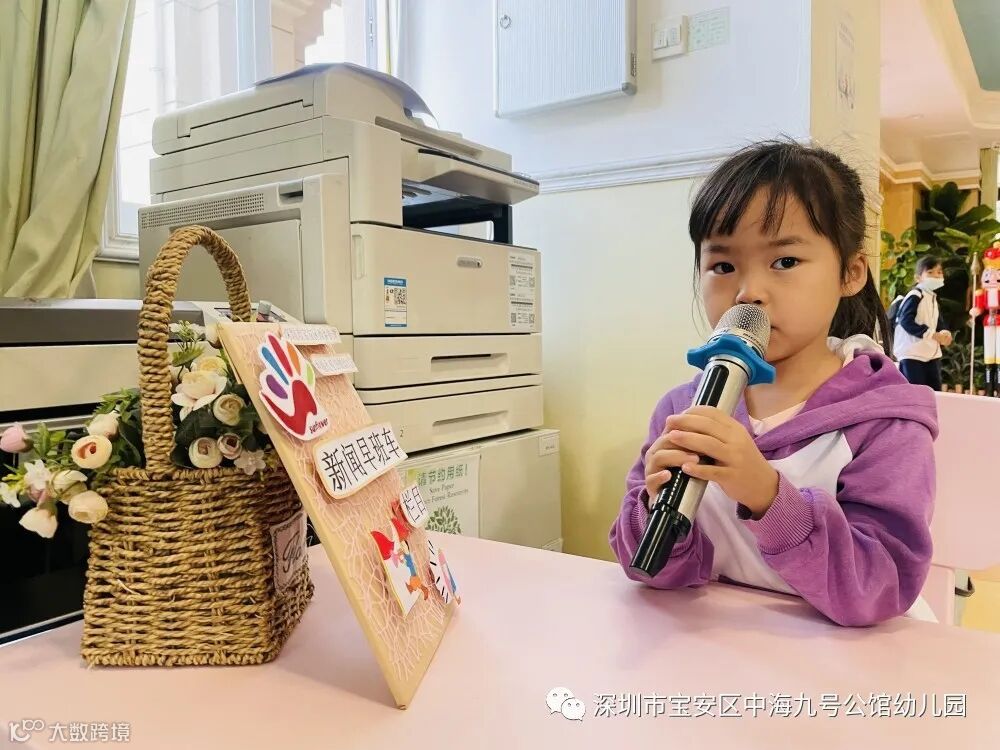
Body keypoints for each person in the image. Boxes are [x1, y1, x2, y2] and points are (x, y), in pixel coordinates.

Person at [609, 141, 937, 627]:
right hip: (724, 646)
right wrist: (655, 511)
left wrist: (767, 495)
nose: (748, 293)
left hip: (849, 660)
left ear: (850, 273)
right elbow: (649, 571)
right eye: (723, 267)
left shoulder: (886, 422)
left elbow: (881, 587)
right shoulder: (683, 408)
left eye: (784, 261)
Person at [892, 255, 952, 390]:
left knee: (934, 392)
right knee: (916, 393)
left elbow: (937, 321)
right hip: (912, 354)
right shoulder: (915, 295)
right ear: (918, 278)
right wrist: (932, 335)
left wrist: (945, 333)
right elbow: (905, 320)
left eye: (939, 272)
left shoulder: (932, 297)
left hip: (929, 354)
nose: (936, 276)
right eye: (930, 272)